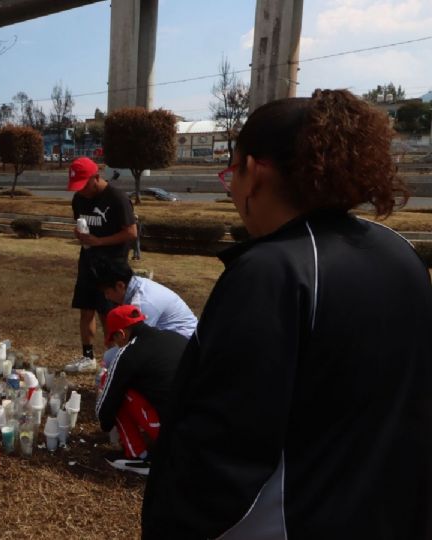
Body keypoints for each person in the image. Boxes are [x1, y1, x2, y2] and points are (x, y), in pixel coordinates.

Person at [142, 90, 432, 539]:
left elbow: (224, 441)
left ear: (254, 172)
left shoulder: (272, 270)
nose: (232, 188)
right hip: (388, 513)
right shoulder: (399, 252)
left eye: (230, 172)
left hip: (290, 522)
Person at [64, 157, 137, 373]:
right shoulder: (79, 199)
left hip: (112, 264)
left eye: (84, 185)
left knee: (109, 314)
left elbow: (131, 232)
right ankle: (88, 357)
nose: (81, 191)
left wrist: (99, 242)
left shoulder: (117, 198)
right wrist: (80, 235)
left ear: (96, 177)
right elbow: (82, 225)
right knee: (86, 310)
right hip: (88, 261)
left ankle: (113, 359)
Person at [95, 305, 187, 476]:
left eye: (115, 340)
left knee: (122, 392)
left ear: (121, 334)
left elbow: (106, 411)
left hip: (171, 435)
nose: (116, 345)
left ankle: (139, 456)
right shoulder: (175, 337)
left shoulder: (128, 354)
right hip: (203, 428)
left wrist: (105, 423)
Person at [87, 255, 197, 379]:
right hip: (177, 341)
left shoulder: (141, 303)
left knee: (112, 358)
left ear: (120, 286)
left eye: (107, 292)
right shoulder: (137, 285)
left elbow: (136, 346)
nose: (106, 297)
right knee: (112, 356)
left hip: (184, 349)